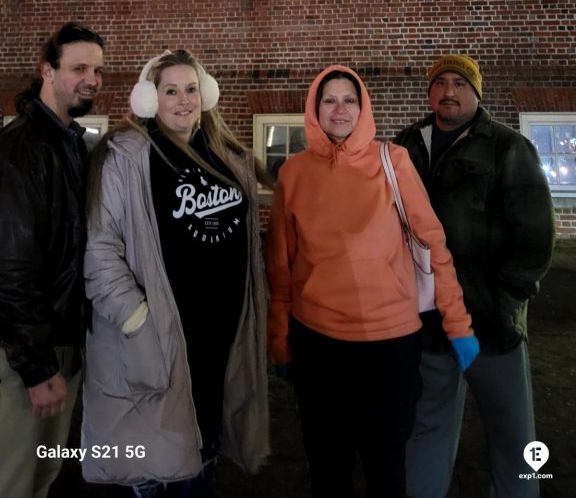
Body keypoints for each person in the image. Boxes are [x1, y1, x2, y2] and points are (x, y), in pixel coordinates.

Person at [265, 64, 479, 498]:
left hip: (390, 347)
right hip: (318, 347)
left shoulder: (393, 160)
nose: (339, 109)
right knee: (328, 468)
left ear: (363, 108)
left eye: (349, 100)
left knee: (386, 468)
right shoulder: (293, 174)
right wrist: (280, 340)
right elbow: (281, 268)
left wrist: (458, 324)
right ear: (315, 109)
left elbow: (433, 243)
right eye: (329, 100)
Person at [81, 49, 269, 497]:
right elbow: (101, 250)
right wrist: (137, 321)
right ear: (150, 99)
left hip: (218, 340)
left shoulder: (227, 156)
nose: (183, 101)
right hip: (161, 337)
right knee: (156, 465)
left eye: (191, 89)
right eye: (170, 91)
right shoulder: (126, 157)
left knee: (202, 451)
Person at [395, 54, 556, 498]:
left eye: (460, 84)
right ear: (429, 92)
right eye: (440, 82)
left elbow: (536, 235)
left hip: (488, 322)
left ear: (476, 92)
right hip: (425, 322)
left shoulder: (507, 147)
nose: (449, 91)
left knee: (513, 437)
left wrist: (507, 299)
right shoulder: (405, 146)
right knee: (426, 428)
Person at [0, 21, 105, 498]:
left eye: (98, 70)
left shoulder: (70, 144)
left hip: (62, 343)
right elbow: (12, 266)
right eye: (79, 67)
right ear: (48, 70)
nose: (92, 79)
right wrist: (38, 368)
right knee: (13, 480)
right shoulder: (21, 149)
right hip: (24, 356)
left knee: (42, 477)